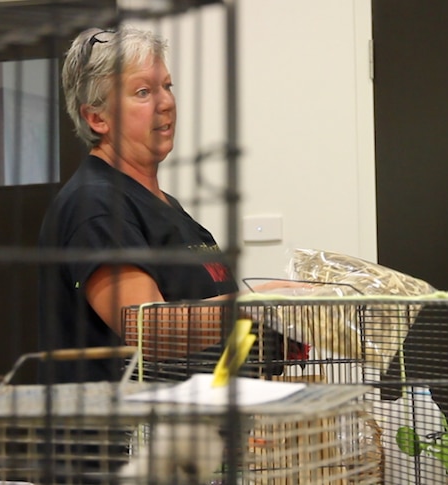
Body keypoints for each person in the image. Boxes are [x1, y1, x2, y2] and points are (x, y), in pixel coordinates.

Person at [39, 26, 280, 383]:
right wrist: (259, 305)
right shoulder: (96, 204)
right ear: (96, 118)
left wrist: (267, 341)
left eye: (166, 86)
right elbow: (148, 328)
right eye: (143, 92)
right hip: (125, 434)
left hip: (195, 430)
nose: (166, 102)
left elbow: (212, 341)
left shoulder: (169, 209)